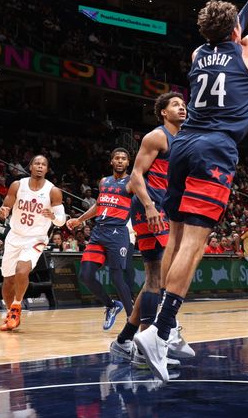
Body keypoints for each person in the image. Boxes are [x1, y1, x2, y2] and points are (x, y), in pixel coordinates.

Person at [134, 0, 248, 382]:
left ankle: (162, 330)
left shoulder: (197, 56)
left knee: (175, 240)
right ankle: (161, 329)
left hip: (184, 147)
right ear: (235, 31)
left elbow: (239, 21)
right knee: (194, 243)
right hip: (215, 149)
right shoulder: (247, 52)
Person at [108, 92, 194, 365]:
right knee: (166, 274)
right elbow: (134, 177)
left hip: (165, 210)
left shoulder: (184, 138)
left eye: (183, 104)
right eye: (176, 105)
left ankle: (126, 340)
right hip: (151, 209)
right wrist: (149, 207)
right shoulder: (156, 137)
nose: (182, 108)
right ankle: (150, 343)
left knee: (155, 279)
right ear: (162, 112)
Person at [68, 148, 134, 331]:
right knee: (85, 275)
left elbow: (145, 201)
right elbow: (98, 206)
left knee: (117, 277)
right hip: (98, 232)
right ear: (111, 161)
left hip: (117, 233)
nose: (120, 161)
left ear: (128, 163)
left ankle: (132, 320)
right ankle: (111, 305)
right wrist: (79, 220)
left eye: (123, 159)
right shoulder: (104, 181)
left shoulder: (133, 182)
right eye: (117, 158)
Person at [0, 155, 65, 331]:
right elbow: (5, 209)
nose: (40, 167)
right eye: (37, 163)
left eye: (43, 164)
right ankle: (10, 312)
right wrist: (2, 212)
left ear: (47, 169)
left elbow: (61, 220)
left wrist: (53, 217)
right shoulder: (18, 185)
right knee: (8, 280)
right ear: (31, 166)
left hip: (36, 238)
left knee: (22, 271)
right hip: (15, 235)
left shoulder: (53, 191)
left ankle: (17, 306)